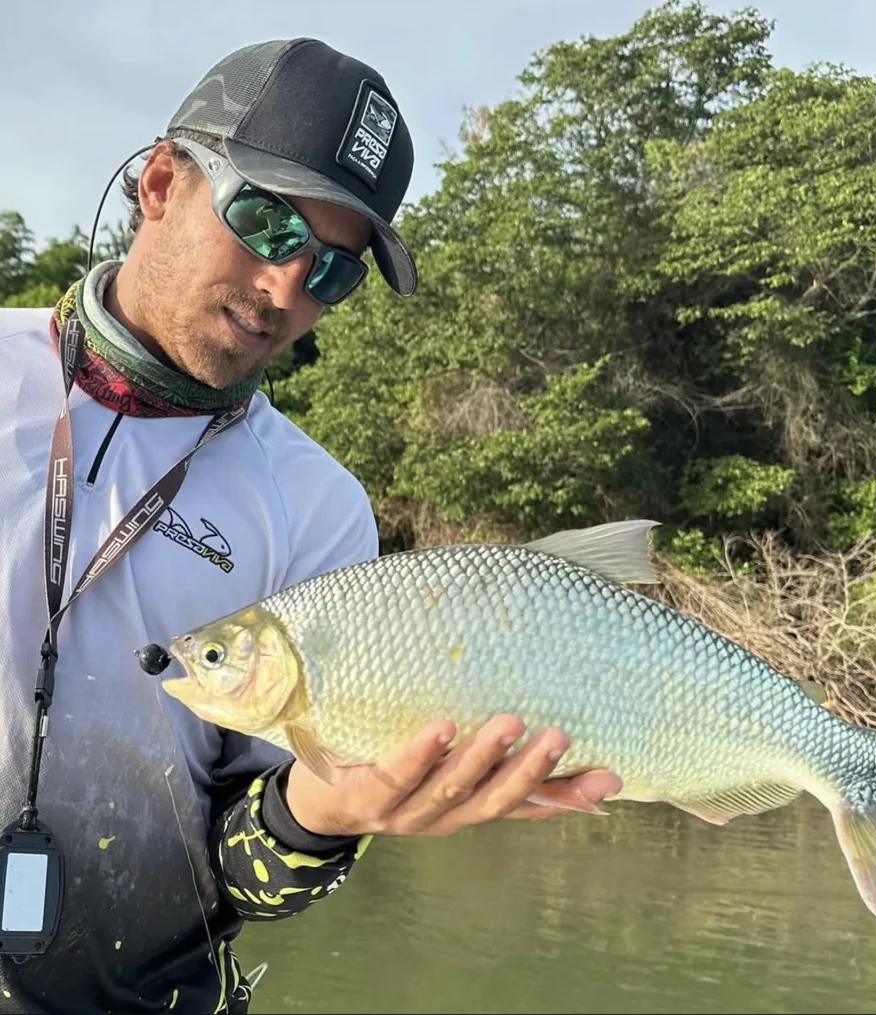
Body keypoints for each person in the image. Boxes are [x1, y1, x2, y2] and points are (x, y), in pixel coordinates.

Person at [0, 38, 621, 1014]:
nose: (289, 288)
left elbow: (241, 872)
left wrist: (327, 815)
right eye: (263, 220)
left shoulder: (317, 506)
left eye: (334, 271)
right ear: (161, 181)